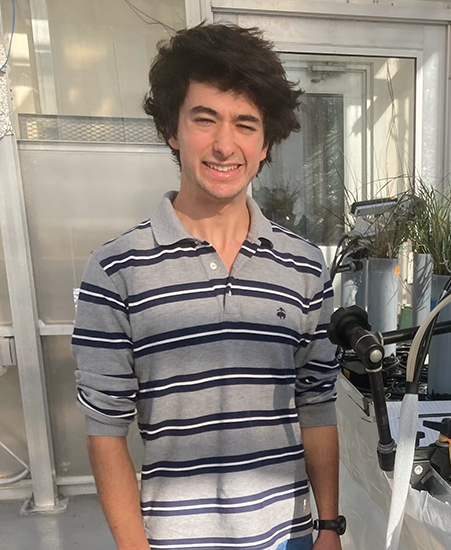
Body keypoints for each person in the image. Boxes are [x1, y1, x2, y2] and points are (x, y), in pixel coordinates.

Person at [72, 23, 343, 550]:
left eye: (245, 124)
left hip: (287, 536)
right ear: (173, 130)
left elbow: (317, 405)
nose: (225, 145)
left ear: (266, 143)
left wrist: (329, 528)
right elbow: (105, 431)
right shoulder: (115, 270)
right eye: (204, 119)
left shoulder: (305, 266)